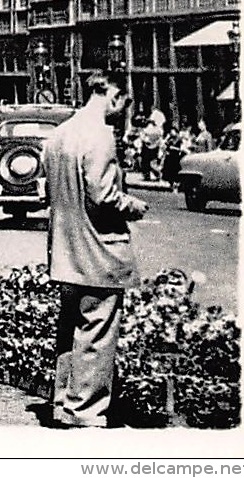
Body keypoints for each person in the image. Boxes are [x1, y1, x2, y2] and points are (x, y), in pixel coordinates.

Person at [43, 71, 147, 428]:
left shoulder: (58, 135)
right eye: (125, 101)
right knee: (97, 332)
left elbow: (54, 193)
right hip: (98, 250)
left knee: (70, 331)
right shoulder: (100, 135)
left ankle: (62, 402)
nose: (124, 109)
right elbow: (102, 196)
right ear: (113, 95)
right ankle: (84, 411)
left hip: (66, 250)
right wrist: (132, 205)